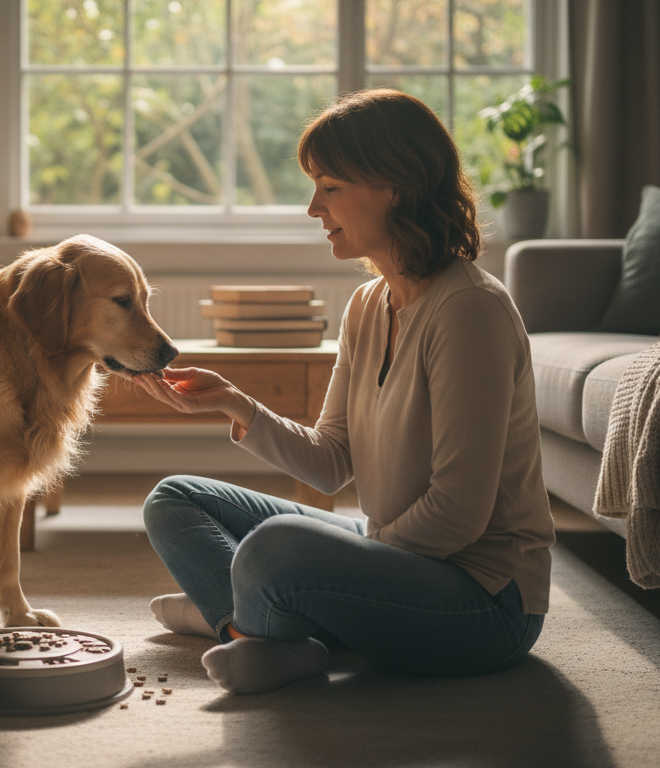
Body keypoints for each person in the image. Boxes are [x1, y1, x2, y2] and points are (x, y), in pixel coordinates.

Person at [132, 88, 556, 695]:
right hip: (394, 550)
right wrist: (234, 403)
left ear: (396, 187)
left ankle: (250, 619)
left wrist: (348, 556)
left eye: (330, 187)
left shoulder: (470, 311)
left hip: (485, 602)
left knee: (275, 550)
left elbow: (458, 516)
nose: (313, 207)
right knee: (175, 498)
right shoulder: (366, 304)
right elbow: (331, 462)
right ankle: (256, 627)